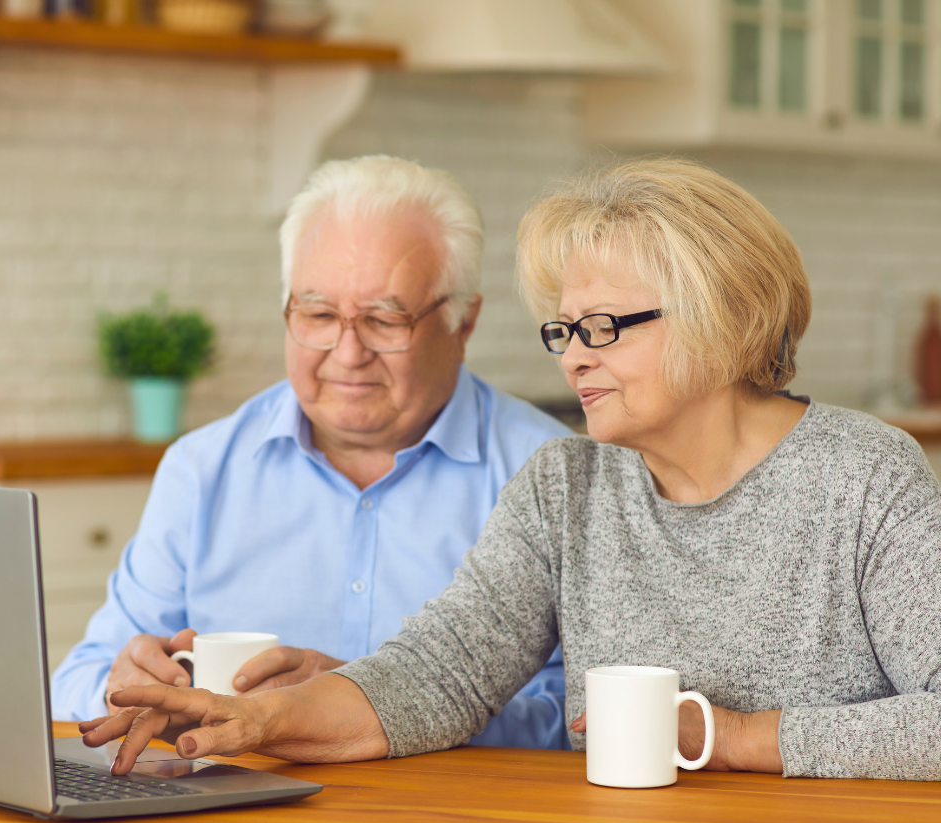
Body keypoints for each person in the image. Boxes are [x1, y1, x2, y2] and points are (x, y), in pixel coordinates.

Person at [81, 158, 941, 781]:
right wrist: (251, 718)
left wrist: (732, 737)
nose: (575, 360)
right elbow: (440, 673)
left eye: (603, 327)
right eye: (564, 332)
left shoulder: (861, 476)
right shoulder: (567, 485)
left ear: (723, 320)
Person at [52, 155, 573, 749]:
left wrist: (369, 707)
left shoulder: (552, 479)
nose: (347, 353)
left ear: (464, 323)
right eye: (319, 314)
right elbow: (73, 683)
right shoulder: (203, 469)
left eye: (384, 319)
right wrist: (125, 686)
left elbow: (584, 720)